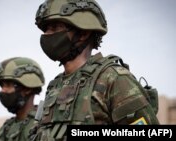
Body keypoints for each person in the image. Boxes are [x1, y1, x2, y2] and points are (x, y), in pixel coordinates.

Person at [33, 0, 160, 140]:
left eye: (55, 27)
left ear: (83, 33)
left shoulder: (114, 78)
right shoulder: (55, 86)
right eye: (46, 29)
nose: (47, 34)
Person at [0, 57, 45, 141]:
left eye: (8, 85)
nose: (3, 90)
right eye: (2, 85)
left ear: (28, 88)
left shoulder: (45, 123)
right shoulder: (6, 128)